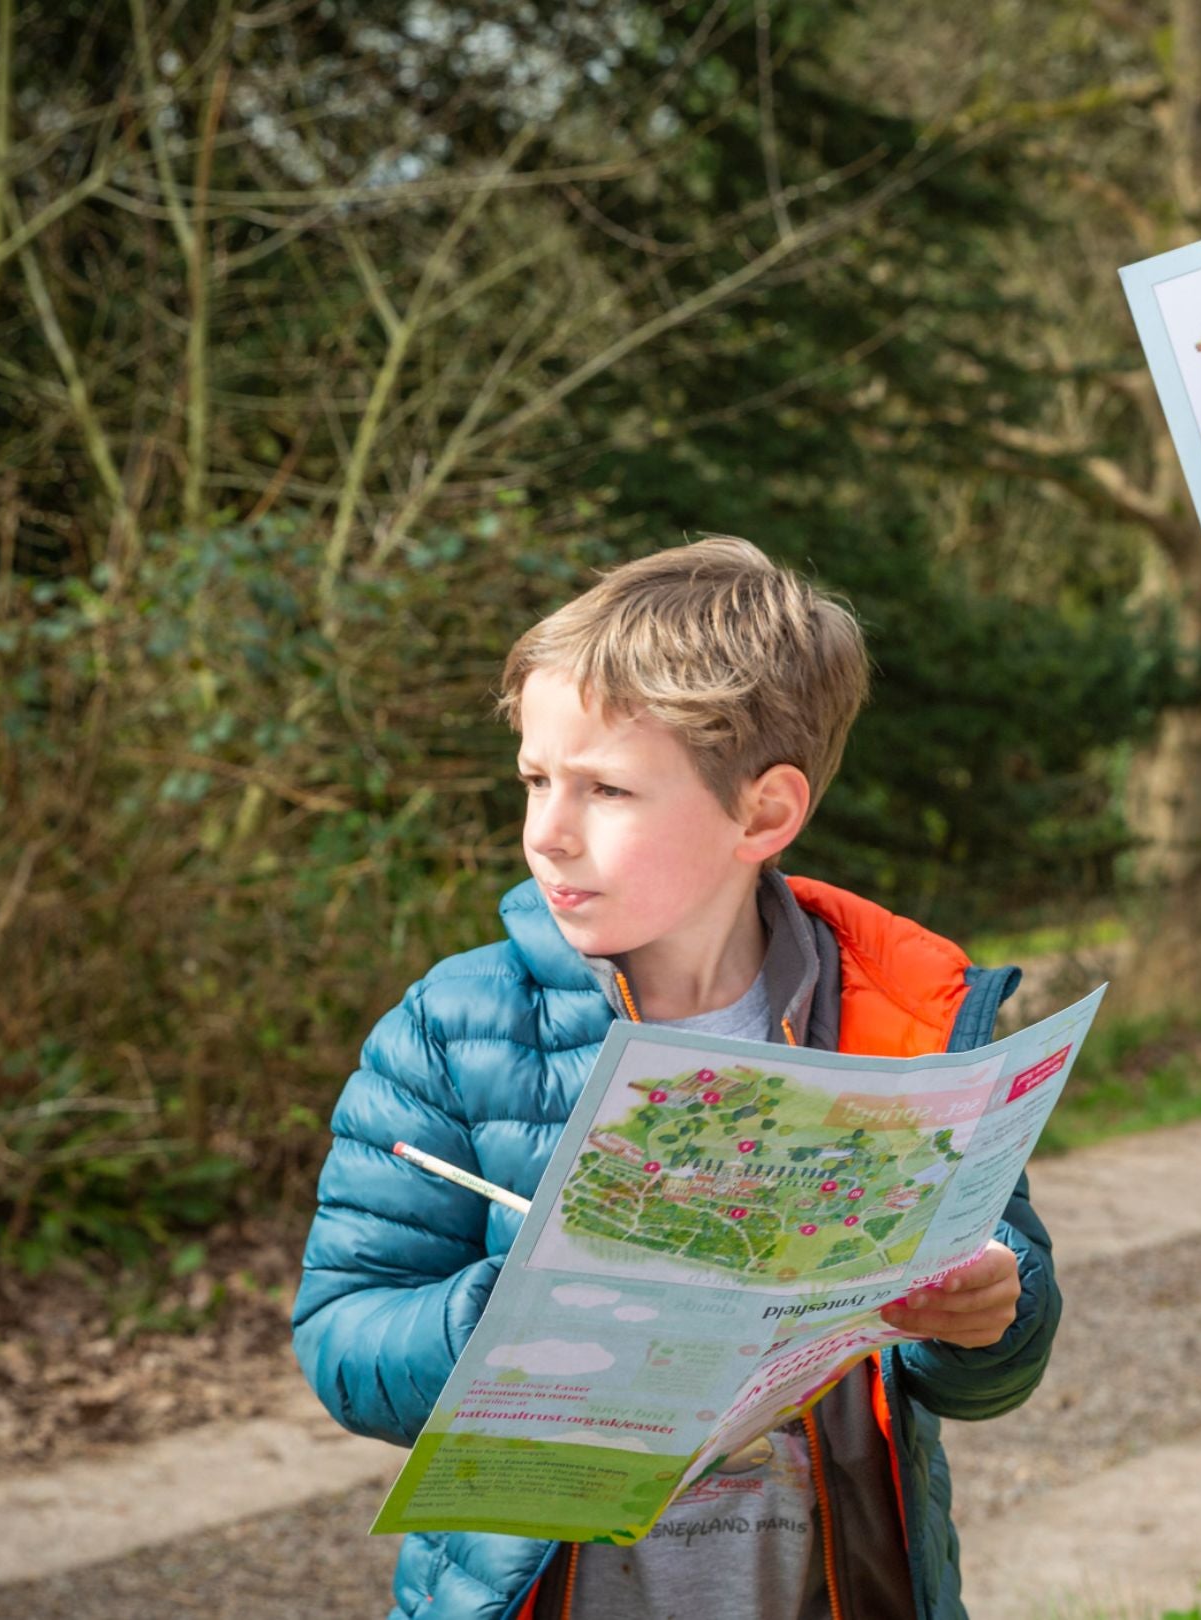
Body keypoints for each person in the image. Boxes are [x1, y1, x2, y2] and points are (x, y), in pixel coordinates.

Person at [292, 538, 1060, 1620]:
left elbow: (993, 1359)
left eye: (604, 789)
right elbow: (340, 1336)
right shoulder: (456, 1026)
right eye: (535, 779)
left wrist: (994, 1308)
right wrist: (498, 1321)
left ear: (763, 814)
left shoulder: (899, 1021)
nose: (546, 834)